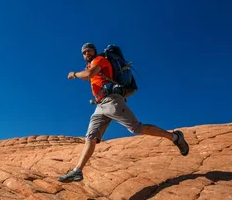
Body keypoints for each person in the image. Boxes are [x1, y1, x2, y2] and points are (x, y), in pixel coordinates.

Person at [58, 42, 189, 182]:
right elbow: (89, 74)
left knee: (136, 128)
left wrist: (74, 74)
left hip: (111, 100)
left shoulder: (100, 59)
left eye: (89, 50)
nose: (86, 54)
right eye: (84, 52)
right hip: (100, 104)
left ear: (94, 51)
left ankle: (175, 137)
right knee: (90, 137)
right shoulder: (91, 65)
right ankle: (77, 171)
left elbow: (89, 74)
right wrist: (85, 74)